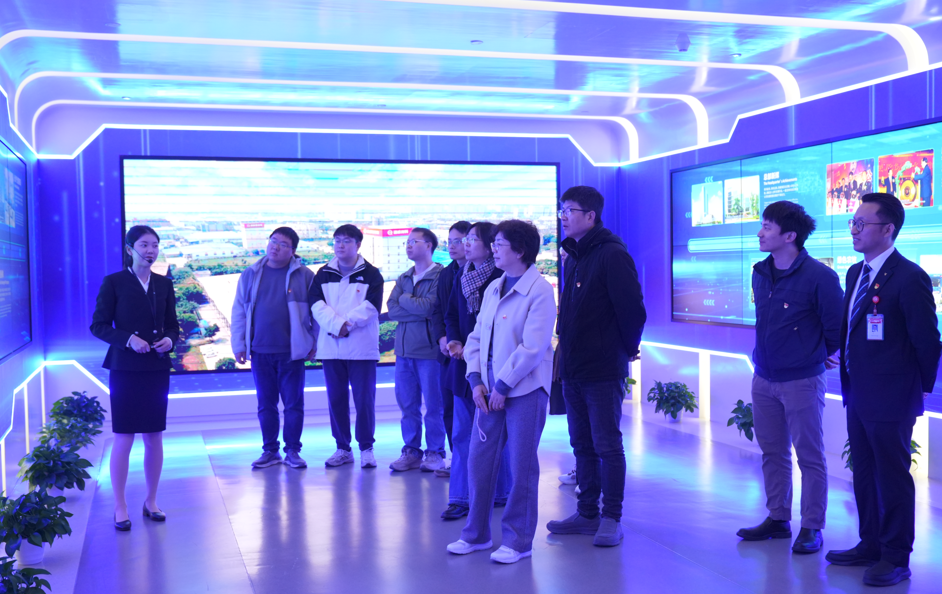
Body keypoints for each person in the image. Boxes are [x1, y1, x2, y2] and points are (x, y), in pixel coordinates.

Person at [825, 193, 941, 587]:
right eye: (852, 223)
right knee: (864, 471)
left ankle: (895, 556)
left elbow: (927, 341)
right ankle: (870, 544)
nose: (854, 230)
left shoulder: (909, 277)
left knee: (892, 477)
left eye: (862, 224)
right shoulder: (855, 272)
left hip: (892, 396)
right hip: (858, 392)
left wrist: (917, 390)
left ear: (888, 229)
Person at [736, 201, 844, 554]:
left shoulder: (819, 276)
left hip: (802, 380)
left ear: (789, 236)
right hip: (763, 377)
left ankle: (812, 525)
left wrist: (816, 355)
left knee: (809, 456)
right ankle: (778, 517)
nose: (760, 233)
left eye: (767, 226)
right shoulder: (759, 271)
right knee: (772, 452)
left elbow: (836, 329)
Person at [446, 220, 556, 564]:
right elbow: (476, 338)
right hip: (487, 389)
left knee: (521, 466)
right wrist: (475, 378)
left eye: (500, 244)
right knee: (479, 461)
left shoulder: (540, 290)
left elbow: (533, 347)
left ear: (520, 250)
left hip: (525, 390)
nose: (493, 249)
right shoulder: (494, 286)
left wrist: (503, 385)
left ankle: (518, 541)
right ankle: (476, 534)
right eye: (493, 244)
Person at [547, 185, 646, 548]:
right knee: (582, 444)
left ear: (590, 216)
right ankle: (586, 513)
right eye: (562, 211)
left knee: (607, 445)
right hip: (573, 367)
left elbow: (633, 310)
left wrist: (626, 349)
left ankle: (611, 517)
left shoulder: (612, 254)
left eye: (569, 211)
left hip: (603, 368)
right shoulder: (574, 254)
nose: (563, 217)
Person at [90, 225, 180, 531]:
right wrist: (129, 339)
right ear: (130, 249)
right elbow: (99, 325)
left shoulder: (163, 284)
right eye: (144, 245)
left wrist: (169, 340)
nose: (150, 251)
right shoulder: (114, 282)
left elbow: (173, 325)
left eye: (155, 245)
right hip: (125, 368)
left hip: (156, 367)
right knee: (124, 437)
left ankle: (151, 501)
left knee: (154, 436)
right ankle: (120, 505)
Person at [231, 227, 317, 470]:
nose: (275, 247)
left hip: (292, 352)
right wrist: (239, 344)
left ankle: (293, 451)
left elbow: (316, 313)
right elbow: (239, 312)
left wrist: (315, 342)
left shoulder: (304, 275)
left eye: (283, 244)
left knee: (293, 405)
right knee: (265, 405)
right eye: (273, 241)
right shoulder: (250, 274)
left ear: (293, 251)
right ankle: (270, 451)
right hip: (259, 351)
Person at [441, 222, 509, 520]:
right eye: (465, 239)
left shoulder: (501, 277)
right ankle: (460, 497)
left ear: (490, 246)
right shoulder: (462, 274)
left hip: (492, 367)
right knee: (462, 434)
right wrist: (454, 339)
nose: (465, 244)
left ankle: (501, 492)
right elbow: (451, 314)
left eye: (472, 239)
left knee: (496, 435)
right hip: (462, 366)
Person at [311, 225, 385, 469]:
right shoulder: (323, 273)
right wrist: (337, 325)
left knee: (364, 401)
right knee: (336, 400)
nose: (340, 245)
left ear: (358, 244)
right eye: (337, 240)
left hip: (361, 349)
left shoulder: (372, 274)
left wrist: (345, 325)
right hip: (331, 349)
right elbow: (316, 305)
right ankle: (342, 448)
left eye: (346, 241)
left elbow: (372, 308)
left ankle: (366, 448)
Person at [387, 228, 447, 472]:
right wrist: (413, 307)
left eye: (414, 241)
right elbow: (392, 311)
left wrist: (405, 299)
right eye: (407, 242)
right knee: (408, 407)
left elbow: (428, 308)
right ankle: (411, 451)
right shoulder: (404, 277)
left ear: (429, 245)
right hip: (403, 353)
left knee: (434, 406)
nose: (408, 245)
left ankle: (435, 452)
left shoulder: (440, 276)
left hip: (429, 353)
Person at [434, 221, 472, 477]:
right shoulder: (447, 273)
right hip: (448, 352)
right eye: (449, 241)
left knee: (472, 410)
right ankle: (457, 461)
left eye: (458, 241)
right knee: (449, 408)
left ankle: (475, 464)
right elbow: (439, 310)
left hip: (472, 352)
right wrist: (442, 338)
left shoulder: (486, 273)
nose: (452, 246)